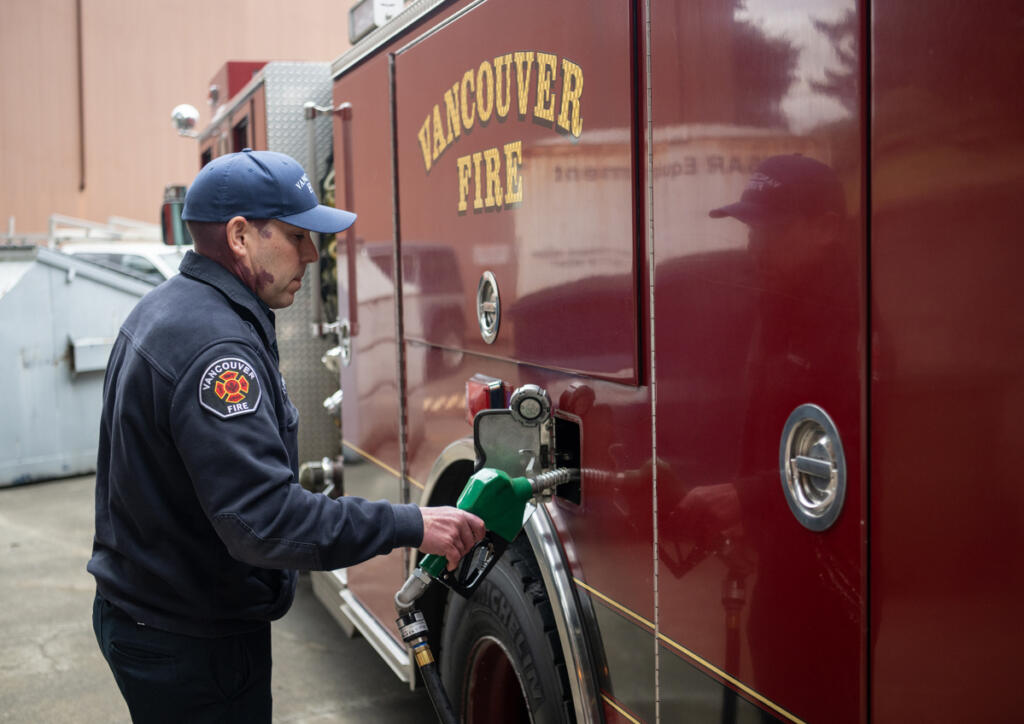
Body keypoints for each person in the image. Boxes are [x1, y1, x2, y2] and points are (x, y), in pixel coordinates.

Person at [87, 149, 485, 723]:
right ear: (241, 236)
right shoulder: (219, 354)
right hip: (191, 643)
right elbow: (263, 521)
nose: (310, 255)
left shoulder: (169, 308)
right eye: (297, 236)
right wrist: (413, 524)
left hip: (153, 615)